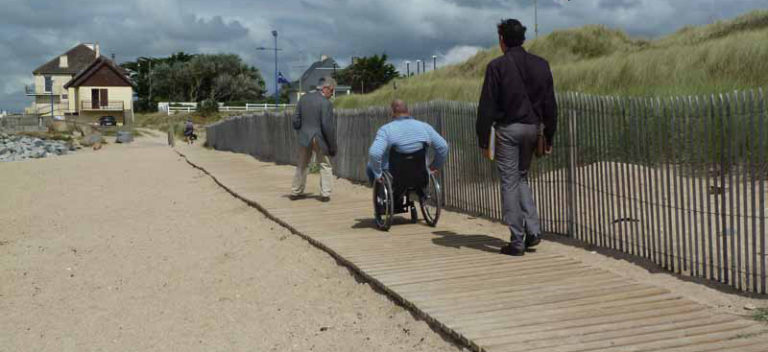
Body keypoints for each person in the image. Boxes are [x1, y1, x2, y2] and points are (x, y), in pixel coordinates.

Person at [476, 19, 557, 256]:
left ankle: (517, 240)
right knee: (521, 178)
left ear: (501, 40)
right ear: (523, 39)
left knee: (510, 182)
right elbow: (551, 104)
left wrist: (483, 140)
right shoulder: (542, 65)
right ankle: (533, 231)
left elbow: (486, 106)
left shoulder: (496, 67)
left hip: (508, 131)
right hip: (534, 129)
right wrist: (549, 136)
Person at [367, 99, 448, 185]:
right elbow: (443, 147)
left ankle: (380, 192)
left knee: (370, 166)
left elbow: (375, 153)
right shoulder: (425, 127)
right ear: (408, 111)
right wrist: (434, 166)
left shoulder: (386, 130)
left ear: (392, 112)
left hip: (394, 173)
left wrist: (378, 174)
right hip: (420, 170)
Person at [290, 77, 337, 202]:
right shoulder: (326, 103)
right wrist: (332, 146)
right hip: (319, 137)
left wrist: (301, 129)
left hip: (304, 136)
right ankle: (325, 194)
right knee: (325, 165)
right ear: (325, 88)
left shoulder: (303, 99)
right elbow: (327, 126)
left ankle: (296, 191)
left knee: (302, 164)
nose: (332, 94)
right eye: (332, 90)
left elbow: (295, 120)